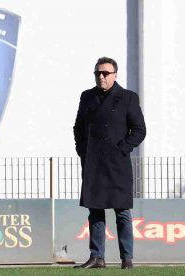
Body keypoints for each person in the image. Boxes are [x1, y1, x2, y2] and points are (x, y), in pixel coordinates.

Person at [73, 57, 146, 269]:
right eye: (98, 73)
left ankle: (127, 258)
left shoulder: (128, 98)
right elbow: (78, 128)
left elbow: (139, 129)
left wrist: (122, 149)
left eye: (106, 73)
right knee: (95, 210)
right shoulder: (87, 97)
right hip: (93, 163)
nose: (101, 77)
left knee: (122, 212)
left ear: (115, 75)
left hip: (117, 164)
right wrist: (83, 152)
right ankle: (97, 257)